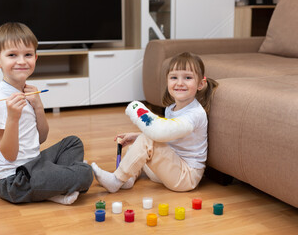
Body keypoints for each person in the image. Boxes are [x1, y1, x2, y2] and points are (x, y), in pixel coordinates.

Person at [0, 22, 93, 204]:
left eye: (27, 54)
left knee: (72, 142)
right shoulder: (0, 102)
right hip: (14, 181)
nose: (21, 61)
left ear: (35, 58)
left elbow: (41, 138)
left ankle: (56, 185)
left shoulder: (25, 91)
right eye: (12, 55)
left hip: (34, 164)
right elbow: (10, 155)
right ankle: (62, 183)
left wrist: (38, 107)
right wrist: (13, 118)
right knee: (87, 173)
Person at [92, 52, 219, 193]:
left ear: (200, 84)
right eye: (174, 77)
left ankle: (116, 180)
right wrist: (137, 136)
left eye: (188, 78)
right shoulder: (171, 109)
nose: (180, 83)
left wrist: (143, 134)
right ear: (167, 81)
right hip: (171, 168)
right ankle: (127, 179)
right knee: (137, 145)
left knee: (147, 141)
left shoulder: (195, 113)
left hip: (185, 176)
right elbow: (169, 136)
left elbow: (161, 133)